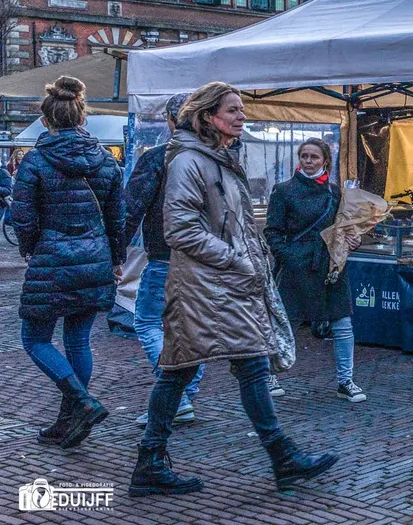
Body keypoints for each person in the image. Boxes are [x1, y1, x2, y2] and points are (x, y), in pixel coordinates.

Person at [130, 83, 337, 496]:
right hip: (205, 286)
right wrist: (235, 259)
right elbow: (180, 228)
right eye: (234, 110)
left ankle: (155, 461)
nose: (242, 116)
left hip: (224, 285)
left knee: (232, 365)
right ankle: (278, 457)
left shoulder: (219, 159)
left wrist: (250, 262)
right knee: (185, 370)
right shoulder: (189, 161)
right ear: (209, 116)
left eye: (242, 109)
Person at [14, 76, 126, 449]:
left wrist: (30, 249)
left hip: (51, 258)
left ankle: (80, 403)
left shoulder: (35, 162)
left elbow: (24, 219)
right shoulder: (106, 162)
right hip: (95, 259)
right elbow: (117, 217)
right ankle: (70, 419)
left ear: (45, 121)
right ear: (83, 118)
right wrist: (117, 258)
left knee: (34, 339)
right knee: (78, 340)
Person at [266, 138, 366, 403]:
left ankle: (346, 381)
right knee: (286, 322)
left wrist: (353, 241)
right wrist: (291, 258)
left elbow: (344, 229)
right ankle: (269, 374)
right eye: (304, 156)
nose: (308, 161)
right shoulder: (283, 191)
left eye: (314, 157)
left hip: (331, 266)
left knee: (343, 323)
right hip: (297, 268)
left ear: (325, 161)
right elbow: (272, 233)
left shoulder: (335, 193)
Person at [125, 94, 203, 426]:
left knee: (147, 321)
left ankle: (178, 394)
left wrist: (117, 255)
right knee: (192, 327)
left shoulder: (158, 158)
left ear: (171, 119)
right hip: (203, 258)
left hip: (165, 256)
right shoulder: (216, 158)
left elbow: (130, 209)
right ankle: (185, 391)